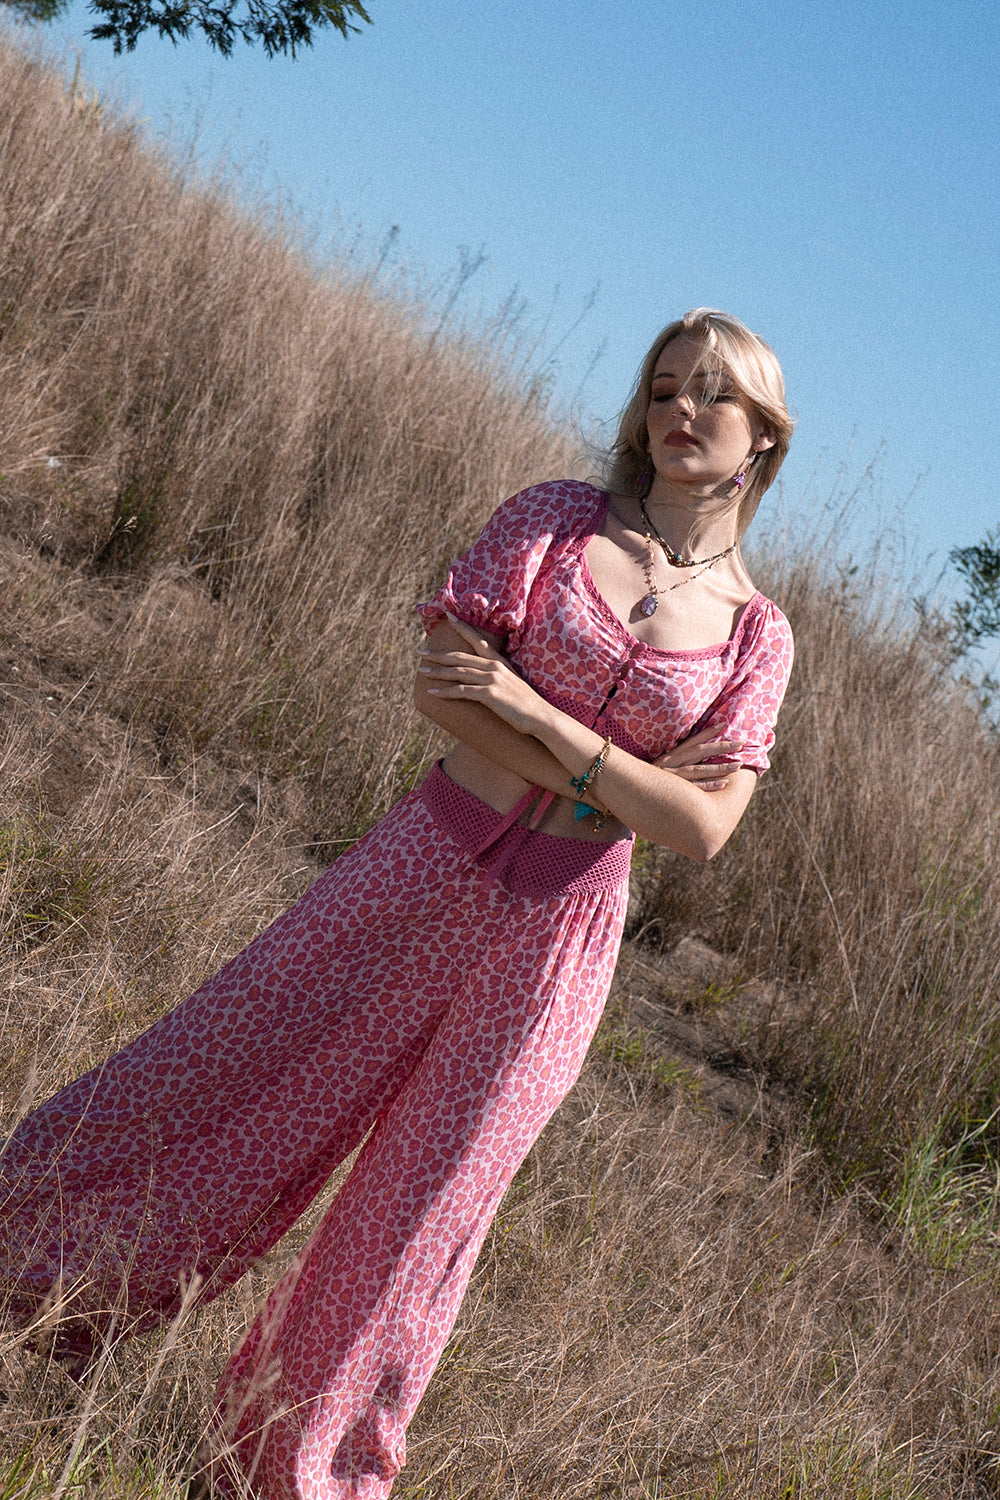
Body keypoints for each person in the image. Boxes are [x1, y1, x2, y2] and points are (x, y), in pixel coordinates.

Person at [0, 308, 795, 1499]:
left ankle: (286, 1472)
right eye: (662, 388)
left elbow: (704, 827)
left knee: (419, 1219)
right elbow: (443, 691)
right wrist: (614, 777)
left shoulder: (756, 636)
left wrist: (532, 713)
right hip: (420, 868)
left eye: (712, 397)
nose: (679, 412)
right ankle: (35, 1283)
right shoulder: (551, 522)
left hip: (556, 946)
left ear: (760, 441)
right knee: (233, 1071)